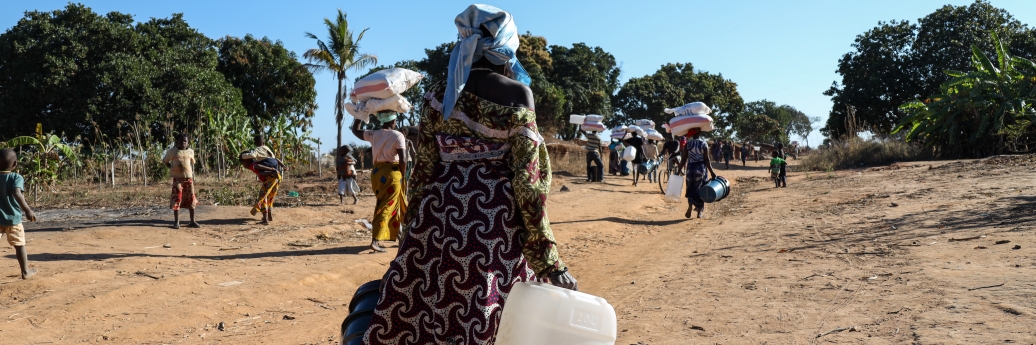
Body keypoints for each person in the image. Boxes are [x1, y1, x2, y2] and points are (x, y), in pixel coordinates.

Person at [364, 5, 576, 345]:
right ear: (507, 44)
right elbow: (528, 186)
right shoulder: (517, 95)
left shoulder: (438, 93)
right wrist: (549, 260)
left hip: (435, 222)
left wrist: (411, 234)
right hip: (490, 228)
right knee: (483, 314)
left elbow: (424, 172)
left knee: (423, 311)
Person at [350, 111, 407, 253]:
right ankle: (375, 241)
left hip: (377, 174)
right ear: (393, 121)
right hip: (392, 174)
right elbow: (403, 159)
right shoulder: (397, 135)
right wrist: (403, 176)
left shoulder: (374, 134)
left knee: (385, 205)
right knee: (386, 207)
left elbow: (355, 130)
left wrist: (360, 115)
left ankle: (400, 237)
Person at [0, 148, 38, 279]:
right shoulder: (16, 177)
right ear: (14, 164)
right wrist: (27, 210)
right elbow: (17, 193)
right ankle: (25, 272)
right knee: (19, 245)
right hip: (13, 219)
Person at [162, 134, 199, 229]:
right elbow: (165, 161)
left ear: (188, 143)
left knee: (191, 199)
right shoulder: (173, 151)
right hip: (178, 179)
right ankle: (176, 222)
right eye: (181, 141)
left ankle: (192, 221)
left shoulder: (190, 152)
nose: (183, 143)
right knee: (177, 198)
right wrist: (172, 168)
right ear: (177, 141)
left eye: (185, 141)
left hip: (188, 179)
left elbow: (192, 163)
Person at [679, 128, 718, 219]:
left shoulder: (688, 144)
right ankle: (699, 211)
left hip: (690, 169)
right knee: (701, 189)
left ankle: (690, 205)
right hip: (700, 169)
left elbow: (683, 159)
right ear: (699, 132)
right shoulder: (703, 143)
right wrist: (712, 172)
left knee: (691, 188)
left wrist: (678, 171)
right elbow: (706, 159)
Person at [239, 152, 281, 225]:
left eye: (243, 163)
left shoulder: (252, 165)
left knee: (262, 197)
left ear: (246, 160)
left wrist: (272, 170)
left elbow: (257, 166)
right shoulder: (261, 161)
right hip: (277, 178)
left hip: (270, 179)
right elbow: (275, 160)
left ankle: (265, 219)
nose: (243, 165)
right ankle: (269, 216)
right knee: (270, 197)